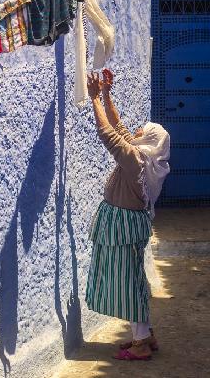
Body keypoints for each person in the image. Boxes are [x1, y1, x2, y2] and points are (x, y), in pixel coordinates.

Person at [85, 69, 170, 361]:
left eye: (141, 132)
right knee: (134, 280)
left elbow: (108, 134)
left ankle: (141, 343)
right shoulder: (146, 158)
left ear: (148, 141)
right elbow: (120, 129)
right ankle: (146, 335)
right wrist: (107, 94)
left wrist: (94, 97)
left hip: (122, 228)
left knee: (128, 284)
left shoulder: (135, 160)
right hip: (129, 227)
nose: (135, 132)